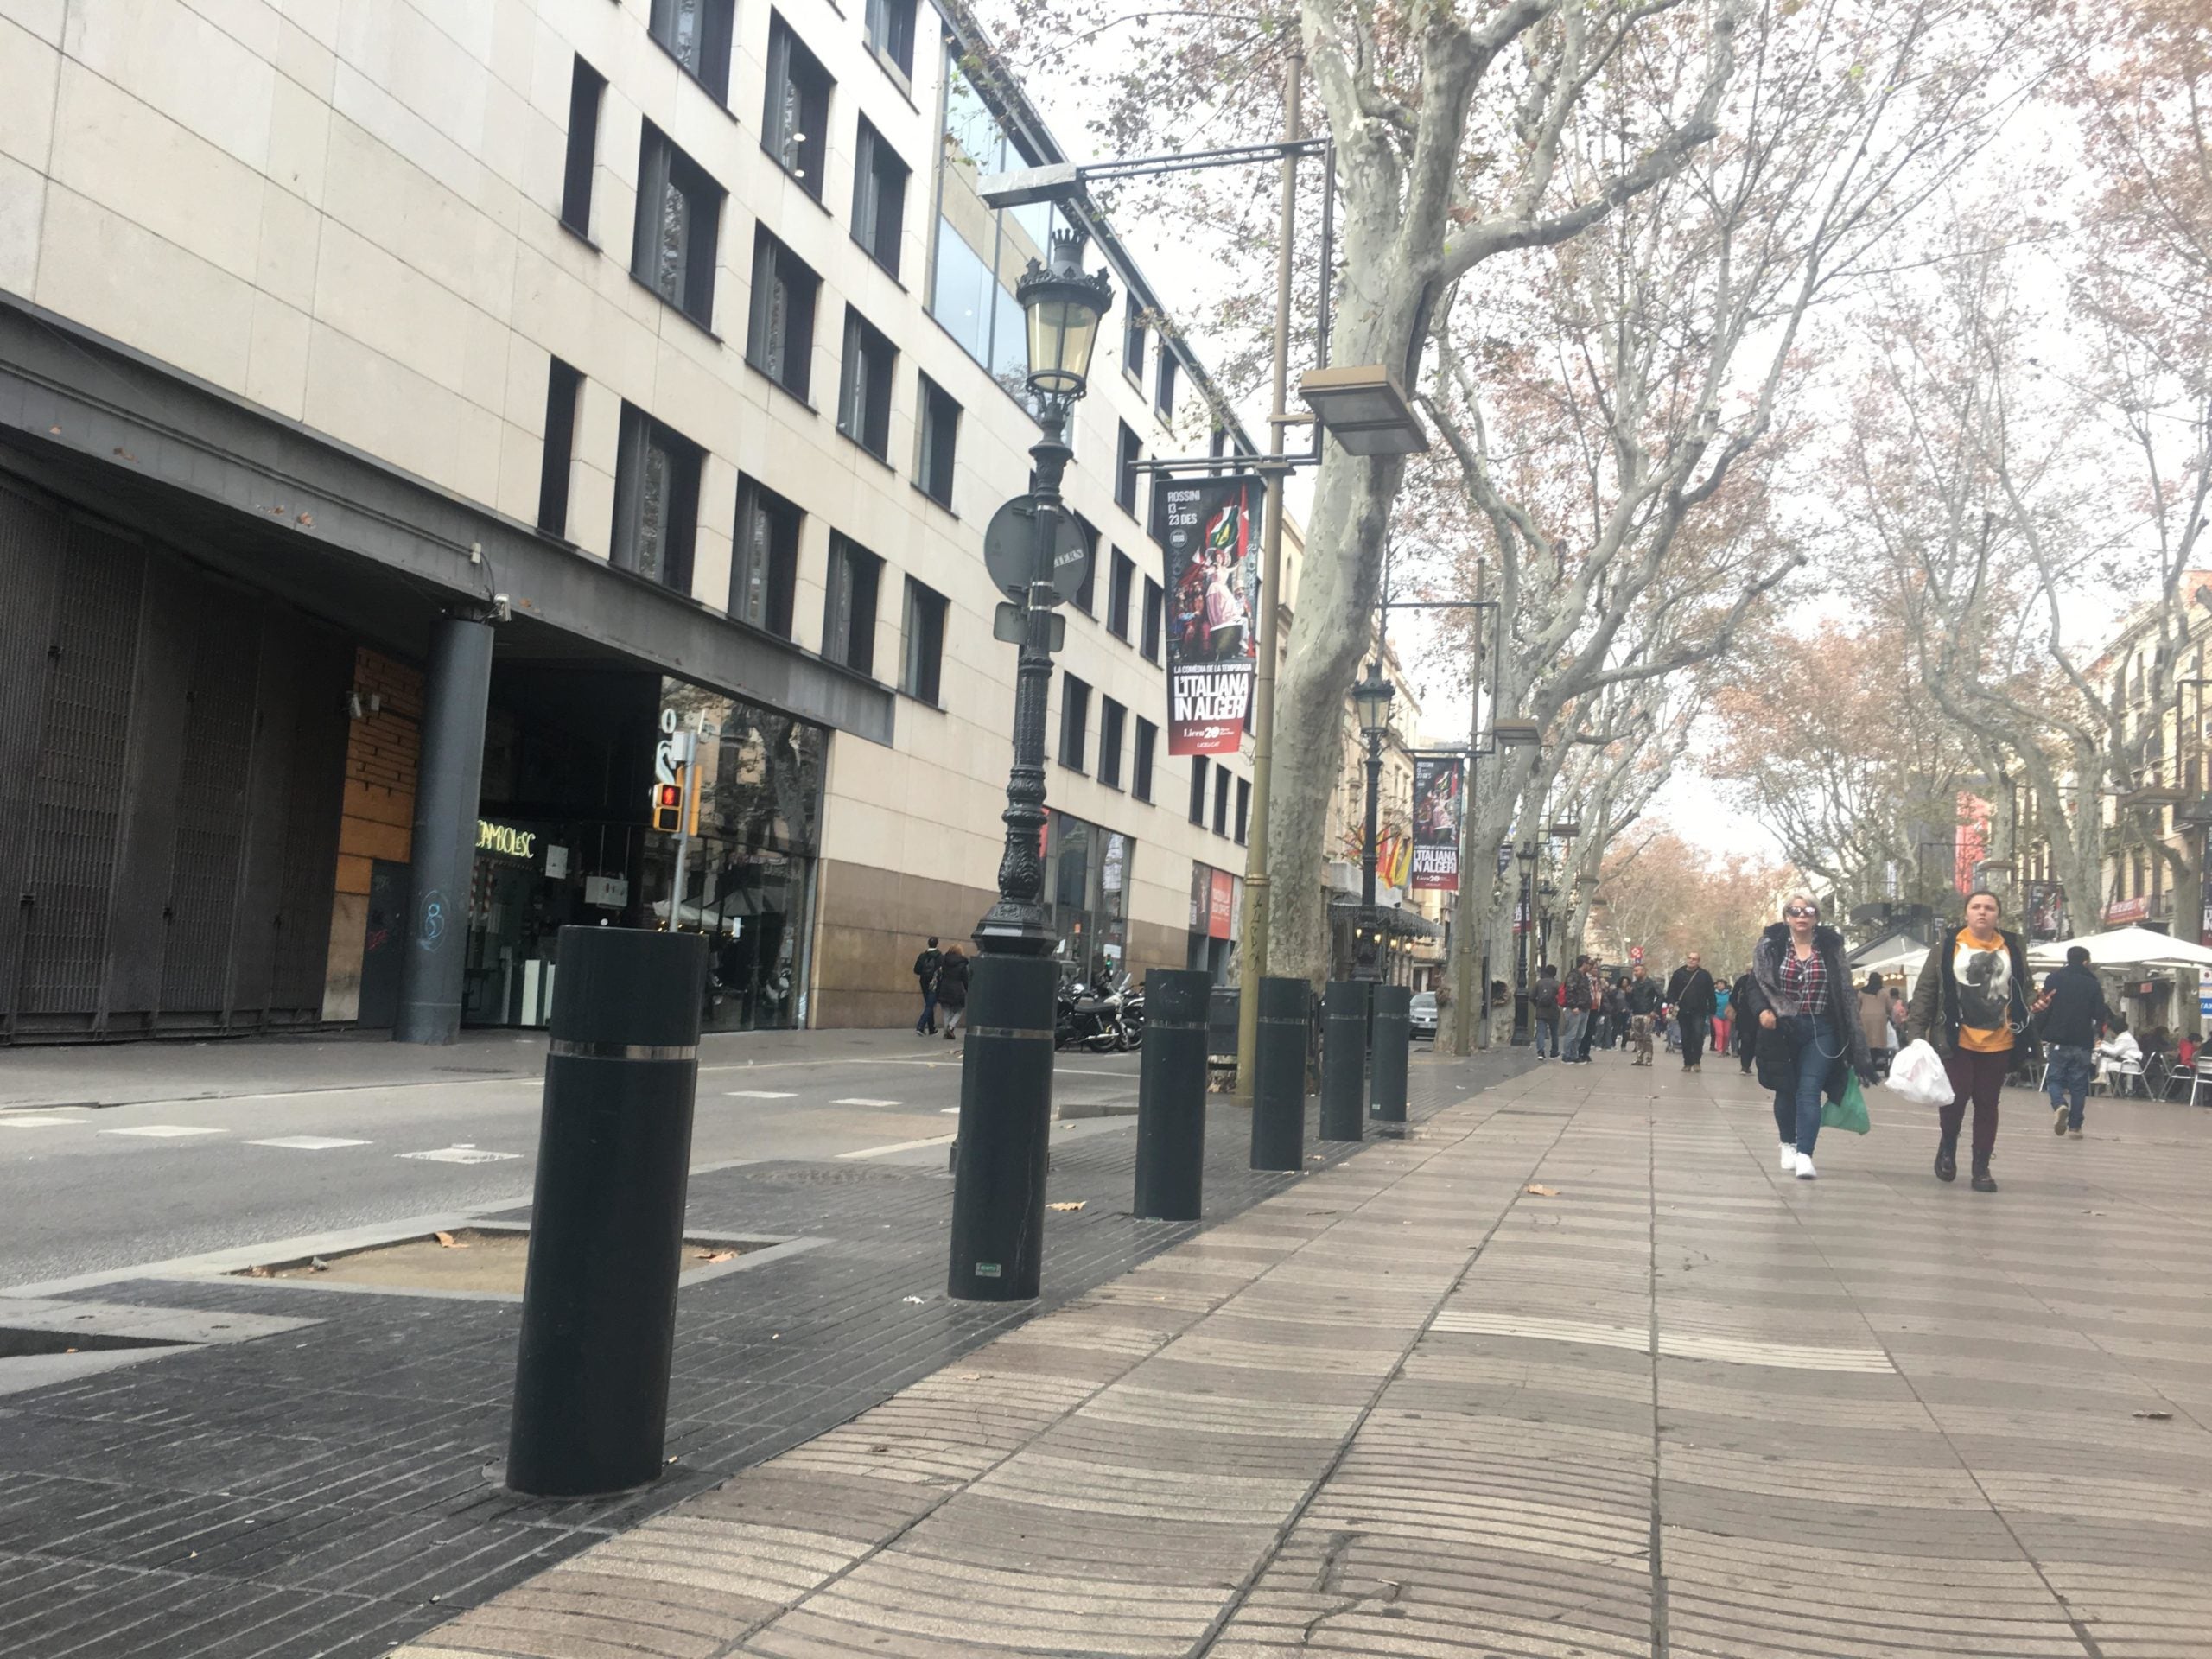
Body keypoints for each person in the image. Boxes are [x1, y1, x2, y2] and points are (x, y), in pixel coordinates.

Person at [1905, 888, 2041, 1193]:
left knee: (1987, 1103)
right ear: (1966, 913)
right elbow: (1926, 993)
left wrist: (2035, 1002)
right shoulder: (1947, 947)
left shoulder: (2013, 947)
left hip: (2000, 1038)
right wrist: (1916, 1036)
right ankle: (1948, 1145)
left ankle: (1981, 1167)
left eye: (1989, 908)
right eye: (1976, 907)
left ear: (1998, 915)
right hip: (1956, 1037)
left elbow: (2023, 988)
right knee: (1955, 1098)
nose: (1983, 912)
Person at [1745, 893, 1875, 1180]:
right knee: (1786, 1089)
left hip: (1822, 1028)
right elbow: (1757, 986)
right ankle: (1787, 1143)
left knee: (1810, 1090)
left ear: (1817, 916)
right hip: (1783, 1028)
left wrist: (1854, 1035)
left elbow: (1843, 990)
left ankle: (1805, 1154)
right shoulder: (1770, 947)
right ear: (1786, 916)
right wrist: (1763, 1012)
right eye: (1795, 911)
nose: (1801, 916)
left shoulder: (1830, 947)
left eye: (1808, 911)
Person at [2038, 944, 2110, 1138]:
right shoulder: (2093, 984)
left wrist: (2038, 1031)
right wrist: (2099, 1035)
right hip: (2082, 1041)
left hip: (2058, 1039)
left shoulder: (2054, 979)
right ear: (2086, 962)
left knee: (2055, 1079)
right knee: (2079, 1085)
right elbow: (2099, 1014)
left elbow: (2044, 1006)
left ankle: (2059, 1104)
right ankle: (2075, 1127)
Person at [1668, 952, 1718, 1073]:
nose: (1691, 961)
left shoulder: (1704, 975)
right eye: (1689, 958)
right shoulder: (1678, 974)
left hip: (1699, 1011)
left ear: (1698, 961)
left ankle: (1696, 1061)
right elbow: (1671, 991)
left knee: (1698, 1035)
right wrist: (1671, 1002)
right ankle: (1687, 1062)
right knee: (1685, 1037)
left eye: (1694, 959)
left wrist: (1712, 1010)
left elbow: (1711, 994)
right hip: (1683, 1010)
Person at [1859, 972, 1896, 1078]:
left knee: (1867, 1041)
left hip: (1864, 1018)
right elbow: (1889, 1007)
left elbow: (1857, 1005)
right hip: (1880, 1019)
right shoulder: (1884, 992)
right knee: (1878, 1042)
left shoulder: (1862, 992)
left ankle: (1867, 1063)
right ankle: (1881, 1059)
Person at [1624, 963, 1662, 1065]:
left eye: (1637, 971)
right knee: (1637, 1037)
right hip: (1636, 1013)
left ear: (1644, 971)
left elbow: (1660, 996)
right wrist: (1628, 994)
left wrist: (1655, 1010)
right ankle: (1639, 1057)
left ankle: (1649, 1058)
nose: (1635, 973)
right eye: (1634, 971)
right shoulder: (1633, 984)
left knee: (1647, 1037)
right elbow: (1629, 1000)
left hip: (1647, 1013)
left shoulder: (1651, 983)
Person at [1560, 957, 1593, 1065]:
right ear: (1584, 964)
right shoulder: (1574, 975)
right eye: (1589, 964)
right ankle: (1566, 1055)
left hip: (1584, 1008)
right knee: (1572, 1033)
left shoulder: (1585, 977)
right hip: (1575, 1008)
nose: (1590, 966)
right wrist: (1573, 1006)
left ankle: (1574, 1055)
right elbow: (1570, 991)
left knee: (1580, 1034)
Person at [935, 944, 969, 1040]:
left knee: (946, 1011)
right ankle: (951, 1026)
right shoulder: (963, 963)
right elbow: (965, 979)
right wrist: (968, 989)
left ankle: (946, 1032)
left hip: (944, 988)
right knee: (959, 1010)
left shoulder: (944, 961)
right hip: (957, 989)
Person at [912, 936, 942, 1036]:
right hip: (934, 983)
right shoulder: (940, 957)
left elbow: (916, 970)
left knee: (929, 1004)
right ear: (937, 944)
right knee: (930, 1005)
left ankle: (931, 1028)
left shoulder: (922, 956)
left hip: (924, 982)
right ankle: (920, 1026)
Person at [1733, 966, 1760, 1073]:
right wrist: (1738, 1008)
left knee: (1755, 1041)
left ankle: (1748, 1064)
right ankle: (1744, 1065)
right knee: (1745, 1040)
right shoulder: (1742, 980)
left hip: (1759, 1015)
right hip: (1744, 1015)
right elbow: (1733, 996)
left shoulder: (1764, 979)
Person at [1531, 963, 1560, 1058]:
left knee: (1541, 1032)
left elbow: (1531, 996)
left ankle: (1540, 1051)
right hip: (1553, 1011)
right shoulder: (1557, 984)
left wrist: (1537, 1004)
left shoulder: (1539, 983)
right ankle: (1554, 1051)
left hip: (1541, 1011)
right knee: (1554, 1032)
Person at [1713, 976, 1733, 1057]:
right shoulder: (1714, 994)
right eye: (1718, 984)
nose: (1719, 985)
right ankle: (1720, 1050)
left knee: (1726, 1034)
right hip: (1716, 1015)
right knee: (1719, 1033)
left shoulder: (1729, 994)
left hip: (1727, 1015)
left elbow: (1732, 1003)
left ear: (1725, 985)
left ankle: (1725, 1049)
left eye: (1721, 984)